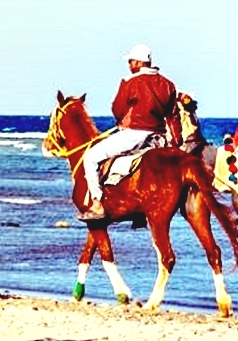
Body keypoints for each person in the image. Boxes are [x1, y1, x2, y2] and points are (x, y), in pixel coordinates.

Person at [78, 44, 183, 221]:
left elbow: (117, 109)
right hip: (159, 138)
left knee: (91, 157)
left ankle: (97, 204)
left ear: (138, 62)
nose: (129, 65)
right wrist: (176, 141)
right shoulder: (168, 84)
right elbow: (173, 116)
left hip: (134, 134)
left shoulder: (130, 81)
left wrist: (122, 121)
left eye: (130, 61)